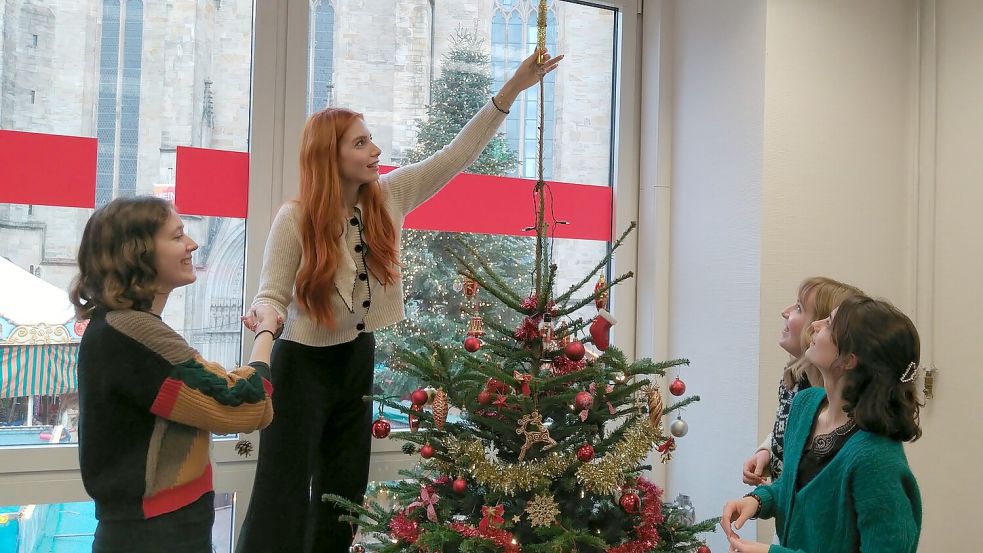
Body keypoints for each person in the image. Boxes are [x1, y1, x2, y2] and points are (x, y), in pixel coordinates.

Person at [235, 48, 564, 552]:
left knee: (344, 493)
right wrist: (262, 329)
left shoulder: (390, 196)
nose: (375, 149)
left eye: (371, 139)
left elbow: (457, 155)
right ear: (330, 154)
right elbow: (271, 296)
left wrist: (512, 89)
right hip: (299, 367)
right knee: (280, 493)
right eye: (361, 142)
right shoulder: (295, 219)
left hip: (355, 359)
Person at [70, 197, 277, 553]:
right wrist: (266, 334)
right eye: (178, 236)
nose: (192, 245)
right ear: (139, 252)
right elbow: (246, 405)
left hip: (155, 529)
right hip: (157, 535)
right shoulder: (134, 333)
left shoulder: (118, 327)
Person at [722, 295, 922, 553]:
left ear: (849, 359)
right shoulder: (805, 405)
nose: (815, 324)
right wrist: (760, 500)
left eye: (828, 324)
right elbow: (796, 484)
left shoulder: (876, 458)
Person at [742, 277, 862, 485]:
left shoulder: (838, 403)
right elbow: (790, 433)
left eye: (798, 308)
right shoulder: (795, 377)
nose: (785, 312)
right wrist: (768, 452)